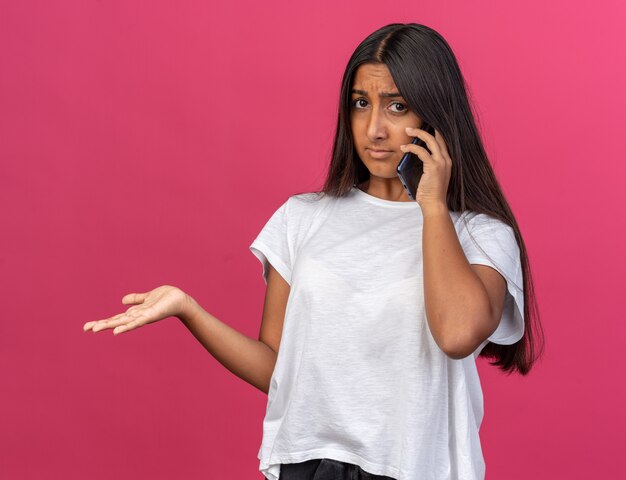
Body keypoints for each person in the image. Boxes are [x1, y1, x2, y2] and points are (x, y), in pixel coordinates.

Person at [83, 23, 544, 480]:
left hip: (416, 467)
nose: (375, 129)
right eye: (361, 103)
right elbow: (283, 372)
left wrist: (431, 206)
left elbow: (458, 333)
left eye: (397, 106)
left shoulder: (479, 234)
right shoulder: (302, 218)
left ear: (435, 117)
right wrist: (189, 310)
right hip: (309, 464)